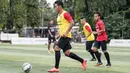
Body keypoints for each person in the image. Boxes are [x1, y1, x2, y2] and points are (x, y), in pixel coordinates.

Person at [48, 1, 86, 72]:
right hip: (62, 36)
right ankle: (83, 61)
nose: (55, 8)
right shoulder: (58, 16)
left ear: (60, 6)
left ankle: (56, 67)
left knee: (56, 48)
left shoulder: (65, 13)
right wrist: (59, 34)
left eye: (55, 6)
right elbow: (62, 27)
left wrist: (66, 32)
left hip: (66, 36)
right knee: (67, 53)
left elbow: (72, 23)